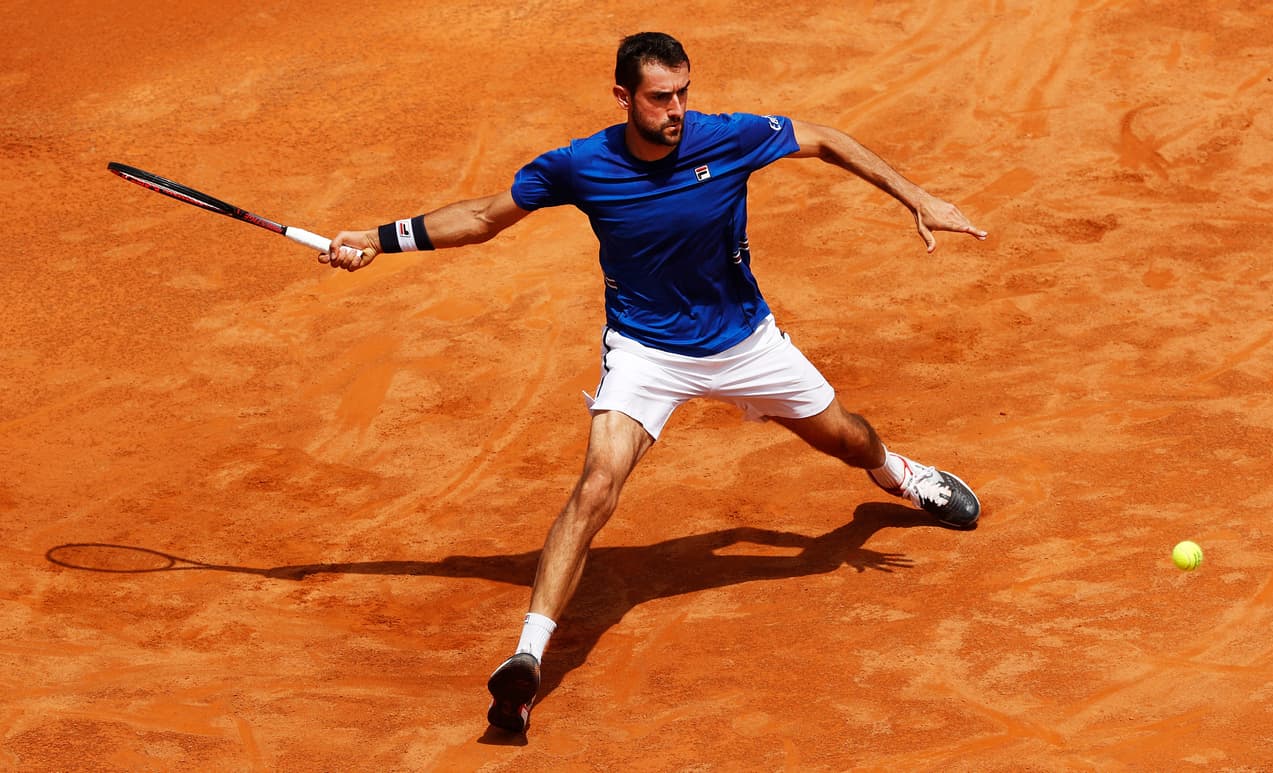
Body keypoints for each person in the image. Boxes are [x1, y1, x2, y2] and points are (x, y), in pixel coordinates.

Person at [322, 31, 988, 734]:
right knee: (596, 486)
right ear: (623, 97)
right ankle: (525, 659)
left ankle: (897, 475)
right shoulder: (581, 165)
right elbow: (485, 216)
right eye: (660, 97)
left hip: (745, 342)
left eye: (683, 94)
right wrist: (378, 237)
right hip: (646, 351)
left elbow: (820, 137)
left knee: (847, 437)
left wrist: (915, 195)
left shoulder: (726, 139)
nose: (676, 110)